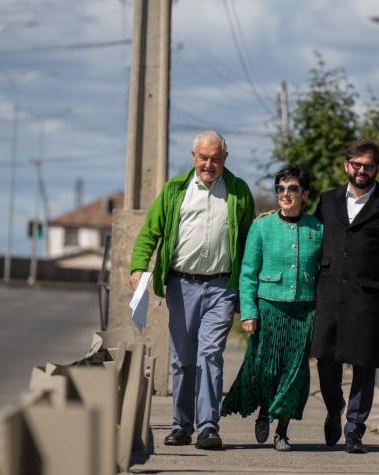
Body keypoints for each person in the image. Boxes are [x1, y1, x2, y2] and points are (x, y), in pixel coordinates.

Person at [129, 130, 255, 450]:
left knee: (210, 354)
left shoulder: (238, 191)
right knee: (183, 358)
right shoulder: (175, 190)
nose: (209, 164)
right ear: (193, 157)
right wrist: (138, 267)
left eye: (215, 158)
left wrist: (250, 284)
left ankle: (209, 427)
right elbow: (150, 232)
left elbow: (248, 242)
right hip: (181, 284)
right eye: (203, 158)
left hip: (221, 285)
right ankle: (182, 425)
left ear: (225, 158)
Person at [312, 139, 379, 454]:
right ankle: (333, 407)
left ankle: (355, 430)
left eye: (368, 165)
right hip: (329, 294)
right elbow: (316, 242)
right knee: (326, 362)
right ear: (346, 166)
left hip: (368, 298)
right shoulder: (327, 201)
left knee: (364, 365)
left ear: (377, 168)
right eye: (356, 164)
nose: (361, 171)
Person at [221, 165, 323, 452]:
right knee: (266, 369)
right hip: (269, 308)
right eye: (280, 188)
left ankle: (282, 430)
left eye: (292, 189)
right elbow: (248, 272)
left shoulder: (317, 228)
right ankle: (264, 410)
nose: (285, 194)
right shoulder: (261, 227)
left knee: (294, 372)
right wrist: (249, 312)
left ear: (304, 193)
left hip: (304, 311)